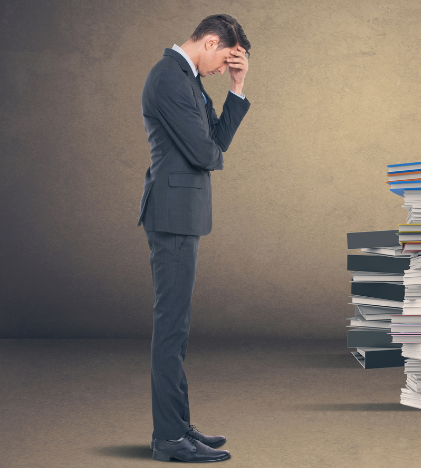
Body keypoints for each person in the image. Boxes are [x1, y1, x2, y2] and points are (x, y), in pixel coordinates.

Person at [137, 14, 251, 463]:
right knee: (171, 328)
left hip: (181, 215)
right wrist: (210, 148)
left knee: (177, 328)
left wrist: (237, 90)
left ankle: (178, 424)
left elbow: (216, 139)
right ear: (208, 41)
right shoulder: (168, 78)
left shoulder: (188, 77)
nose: (224, 68)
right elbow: (207, 152)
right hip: (171, 216)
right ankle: (168, 438)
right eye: (225, 59)